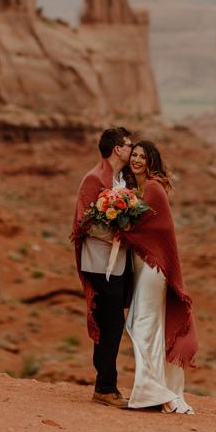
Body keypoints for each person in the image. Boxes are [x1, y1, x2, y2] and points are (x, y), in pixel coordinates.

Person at [121, 139, 197, 414]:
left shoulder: (152, 188)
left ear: (151, 161)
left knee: (142, 323)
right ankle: (156, 391)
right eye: (134, 156)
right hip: (146, 265)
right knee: (150, 326)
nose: (137, 160)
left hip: (155, 268)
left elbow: (159, 229)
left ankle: (151, 393)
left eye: (142, 156)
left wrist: (120, 227)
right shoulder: (138, 188)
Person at [71, 126, 133, 409]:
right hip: (98, 262)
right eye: (129, 145)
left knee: (113, 323)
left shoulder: (120, 179)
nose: (133, 150)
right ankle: (105, 387)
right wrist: (119, 233)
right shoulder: (94, 178)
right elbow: (85, 222)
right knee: (111, 323)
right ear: (117, 149)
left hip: (116, 262)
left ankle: (106, 386)